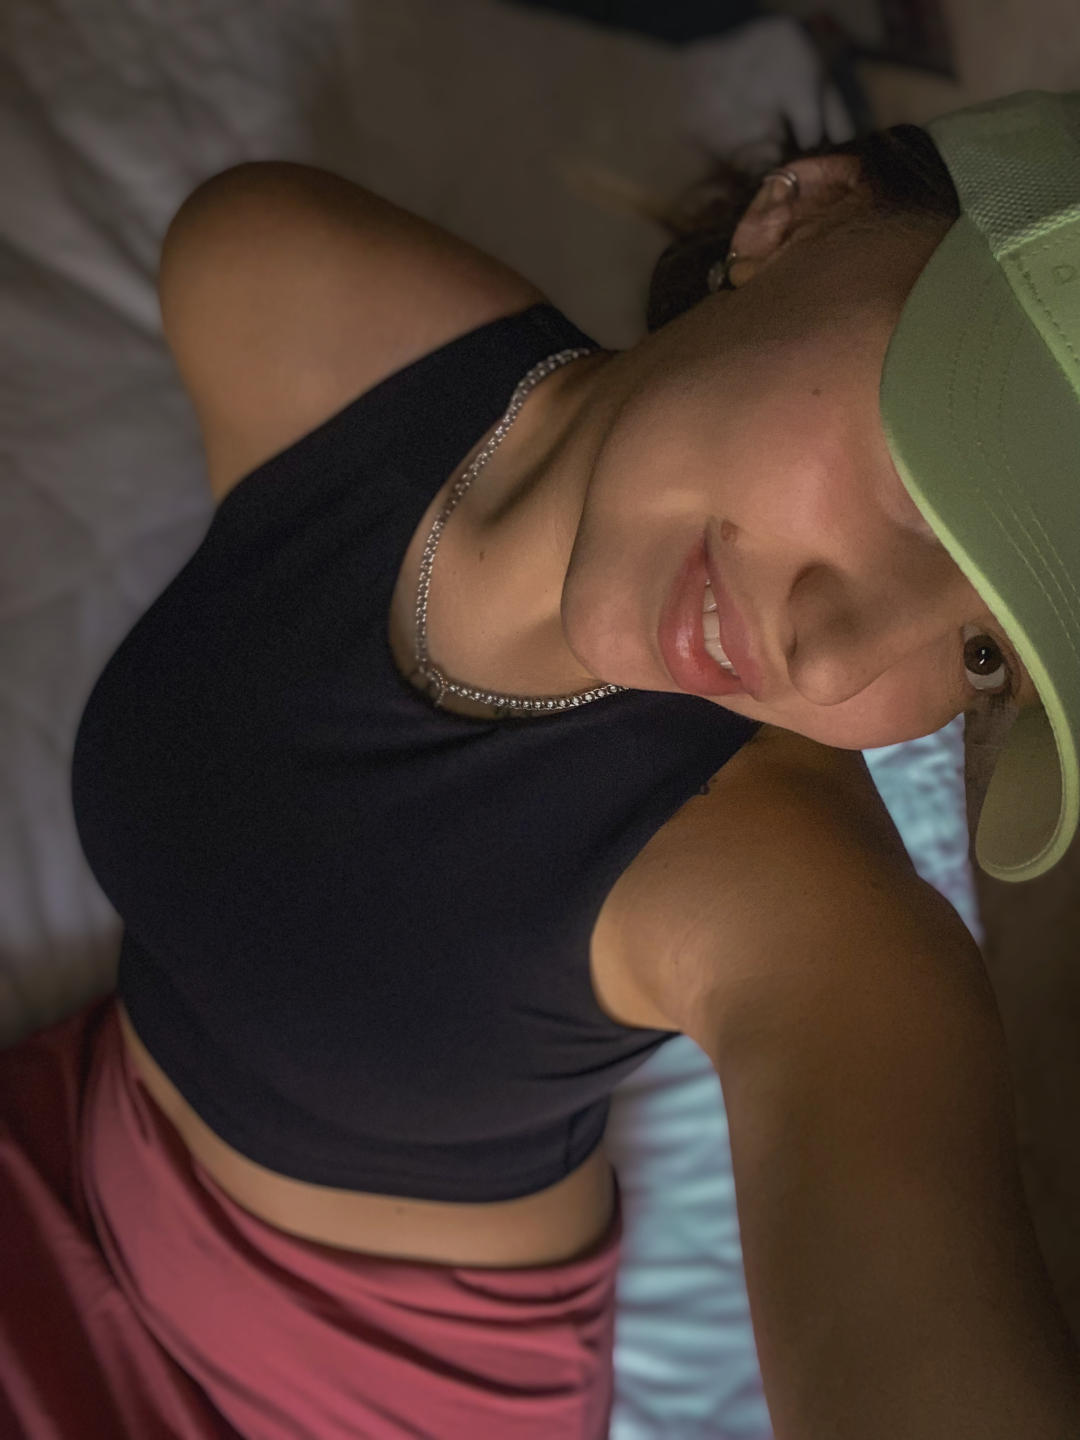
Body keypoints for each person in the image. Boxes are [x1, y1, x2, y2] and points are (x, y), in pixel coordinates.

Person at [2, 85, 1079, 1439]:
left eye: (984, 658)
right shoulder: (286, 291)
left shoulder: (789, 892)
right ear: (799, 215)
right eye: (929, 480)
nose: (831, 658)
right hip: (62, 1158)